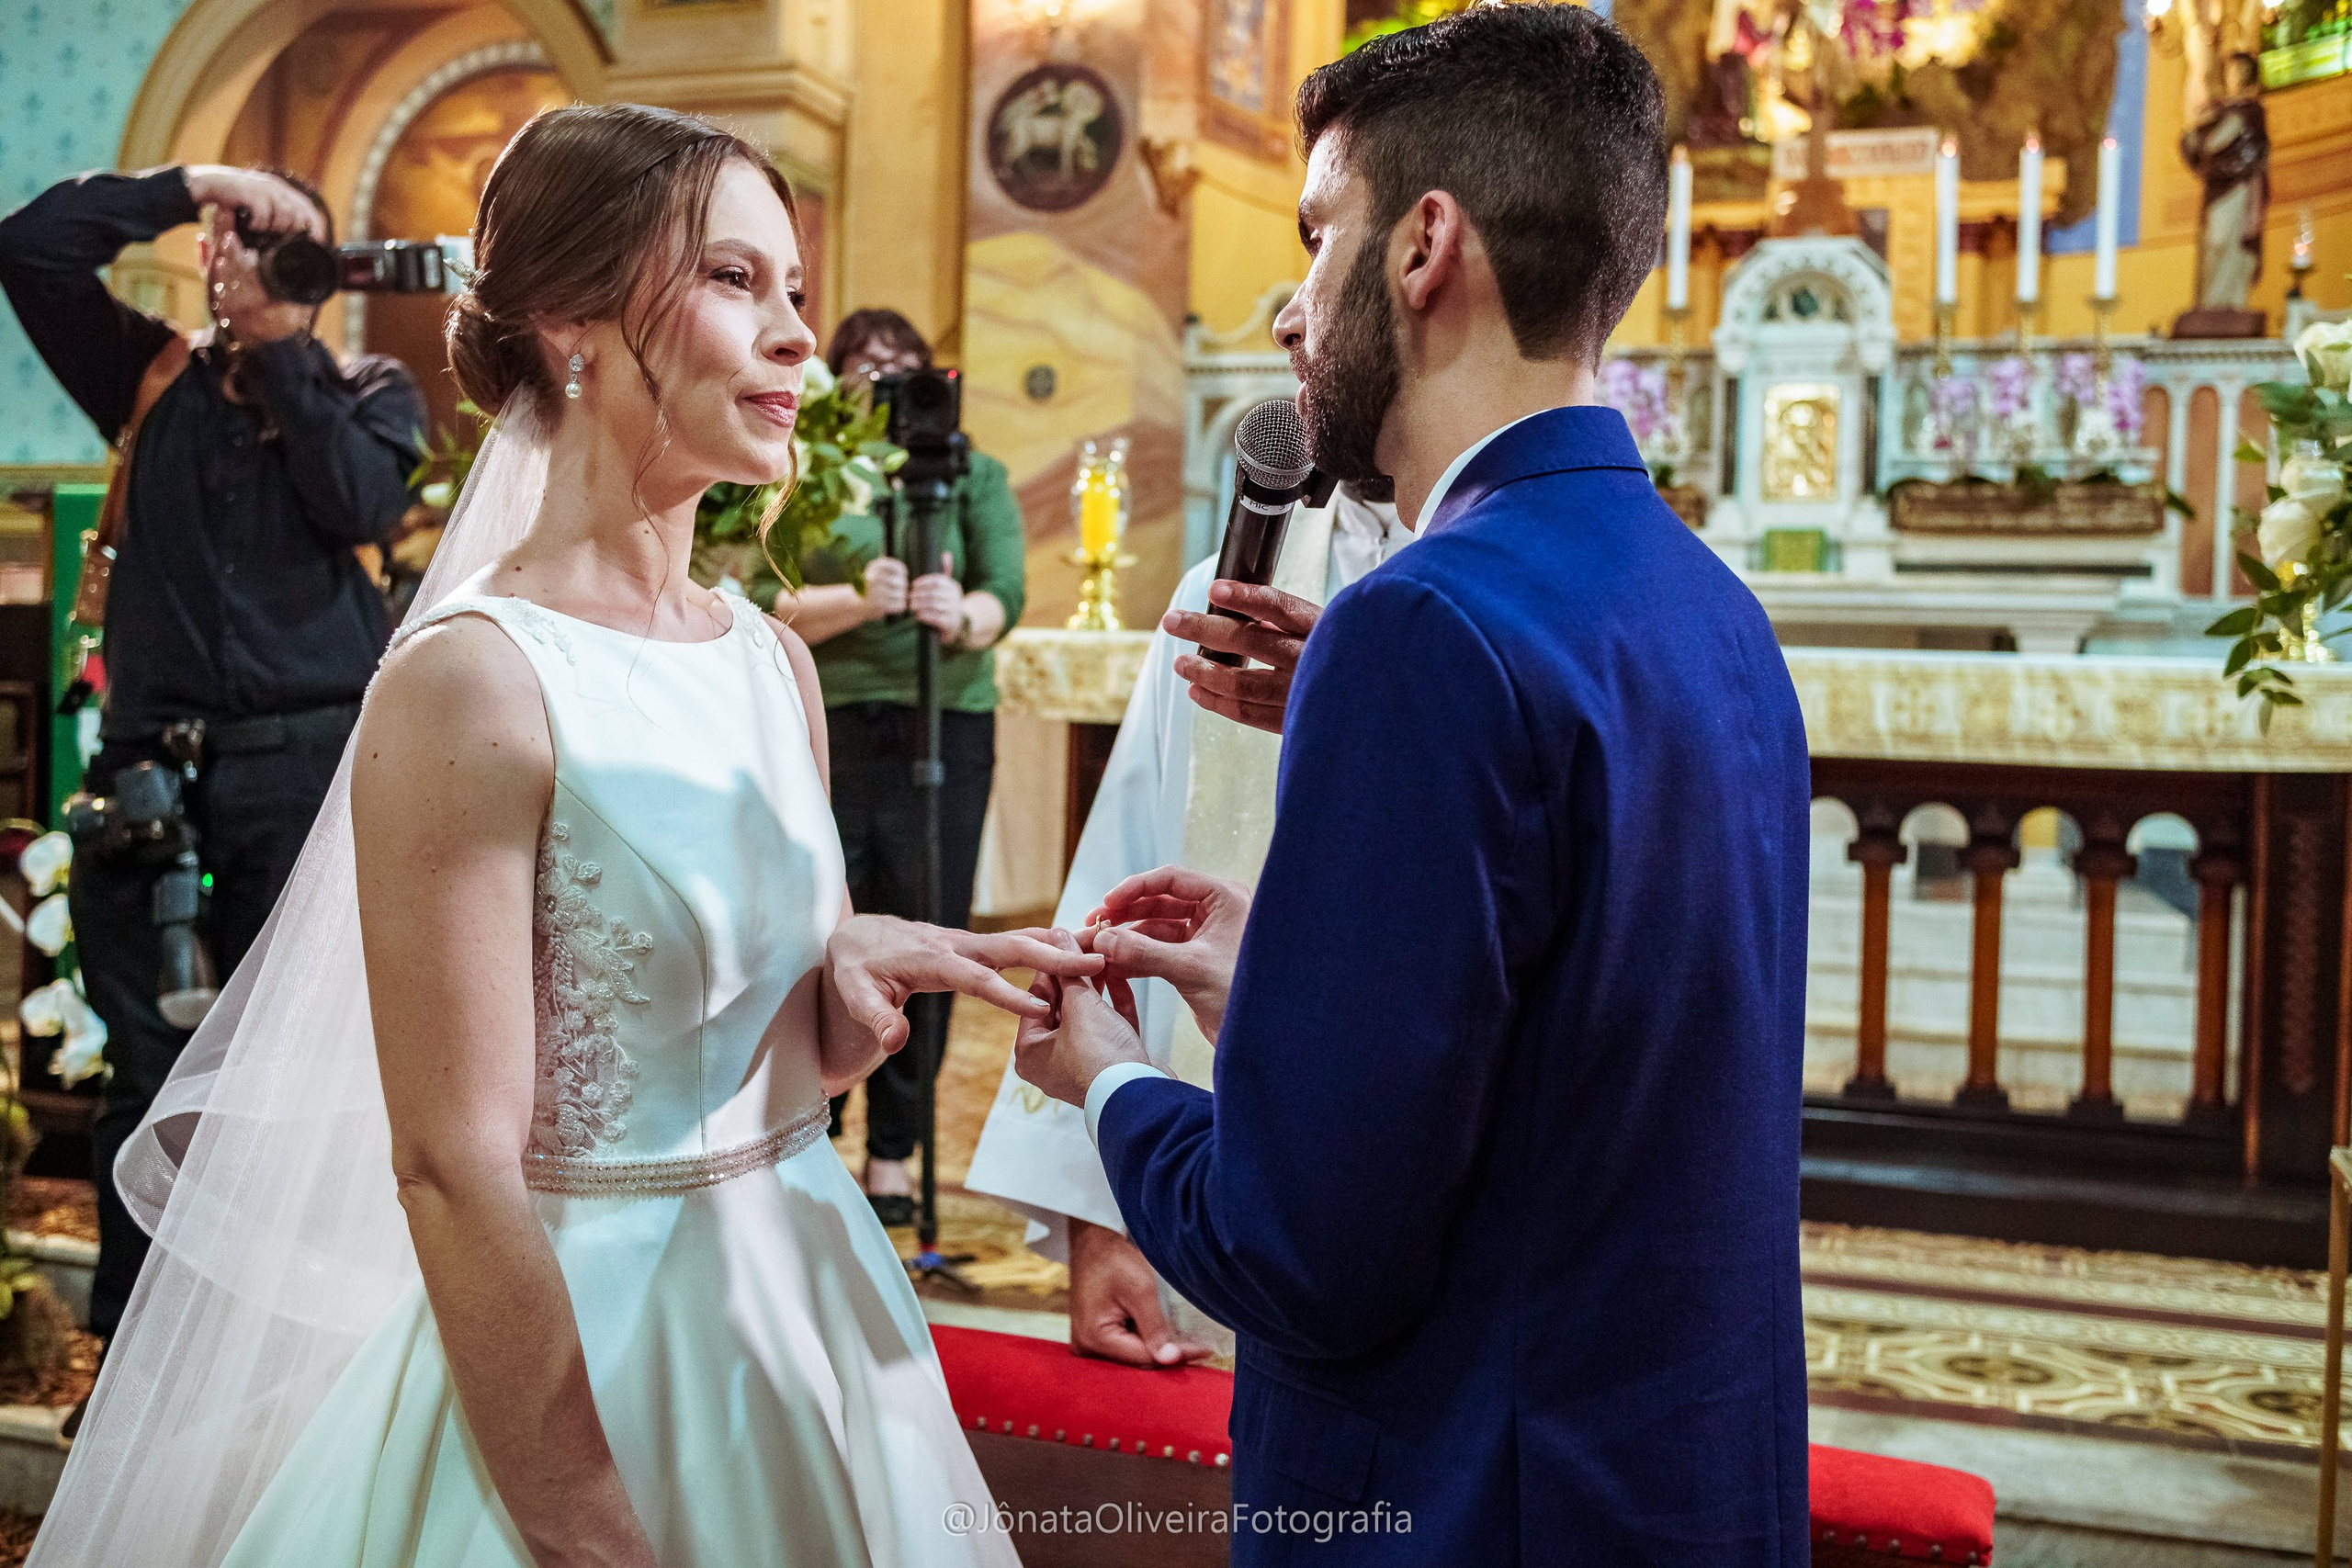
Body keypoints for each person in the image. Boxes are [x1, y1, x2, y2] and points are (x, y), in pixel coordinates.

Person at [29, 103, 1102, 1568]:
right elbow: (453, 1158)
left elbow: (740, 1053)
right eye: (737, 282)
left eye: (792, 286)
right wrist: (589, 1526)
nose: (798, 336)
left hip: (807, 1305)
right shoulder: (475, 676)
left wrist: (842, 983)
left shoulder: (767, 657)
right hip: (582, 1351)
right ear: (571, 326)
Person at [1014, 8, 1811, 1564]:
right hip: (1669, 1478)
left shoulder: (1421, 620)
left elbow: (1306, 1251)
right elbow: (1586, 1057)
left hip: (1464, 1494)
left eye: (1322, 238)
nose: (1291, 307)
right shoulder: (1708, 600)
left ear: (1426, 246)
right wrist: (1287, 980)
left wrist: (1104, 1077)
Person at [0, 164, 425, 1362]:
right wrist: (197, 182)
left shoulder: (369, 391)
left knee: (302, 1089)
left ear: (326, 271)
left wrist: (285, 346)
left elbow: (357, 502)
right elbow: (28, 247)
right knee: (153, 1085)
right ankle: (142, 1374)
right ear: (209, 253)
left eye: (284, 243)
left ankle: (288, 1370)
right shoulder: (142, 374)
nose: (251, 255)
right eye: (238, 237)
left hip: (308, 786)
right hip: (152, 793)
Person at [963, 477, 1406, 1367]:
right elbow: (1122, 892)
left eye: (1317, 319)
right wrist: (1109, 1213)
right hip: (1205, 1194)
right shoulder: (1229, 595)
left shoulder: (1547, 597)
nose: (1288, 327)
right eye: (1286, 319)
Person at [788, 307, 1026, 1224]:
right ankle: (812, 1128)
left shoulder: (975, 473)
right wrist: (856, 600)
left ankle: (895, 1154)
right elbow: (763, 596)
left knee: (930, 935)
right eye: (862, 365)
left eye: (904, 366)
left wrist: (957, 614)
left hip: (945, 726)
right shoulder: (811, 473)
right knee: (816, 933)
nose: (884, 380)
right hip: (826, 727)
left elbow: (1003, 592)